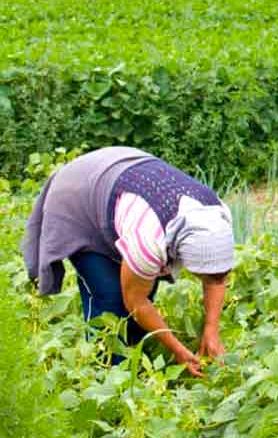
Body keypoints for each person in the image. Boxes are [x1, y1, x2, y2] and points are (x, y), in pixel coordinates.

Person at [23, 147, 235, 376]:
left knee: (143, 290)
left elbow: (216, 278)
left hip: (122, 174)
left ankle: (134, 360)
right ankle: (106, 374)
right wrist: (178, 350)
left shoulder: (217, 216)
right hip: (78, 196)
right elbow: (136, 301)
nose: (214, 277)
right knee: (110, 298)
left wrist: (211, 330)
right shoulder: (150, 239)